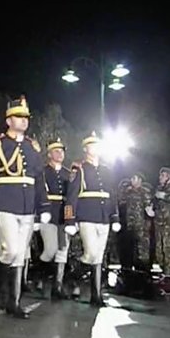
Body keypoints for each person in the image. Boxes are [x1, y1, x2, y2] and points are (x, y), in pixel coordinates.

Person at [0, 95, 51, 319]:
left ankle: (14, 302)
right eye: (18, 117)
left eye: (25, 117)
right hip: (5, 205)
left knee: (20, 255)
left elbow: (39, 179)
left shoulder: (32, 147)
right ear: (8, 120)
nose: (23, 121)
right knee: (10, 250)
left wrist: (44, 207)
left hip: (28, 206)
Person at [65, 131, 121, 308]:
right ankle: (71, 277)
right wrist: (70, 219)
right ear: (85, 149)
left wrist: (115, 216)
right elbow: (72, 195)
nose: (95, 149)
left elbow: (112, 195)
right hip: (86, 215)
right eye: (91, 146)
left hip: (103, 216)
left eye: (97, 145)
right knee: (90, 253)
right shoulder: (79, 169)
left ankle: (96, 296)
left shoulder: (106, 170)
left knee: (98, 257)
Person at [34, 138, 73, 300]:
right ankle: (40, 276)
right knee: (50, 249)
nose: (60, 154)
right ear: (49, 154)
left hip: (63, 215)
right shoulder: (42, 172)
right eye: (56, 151)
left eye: (62, 151)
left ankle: (57, 285)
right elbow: (37, 195)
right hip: (48, 213)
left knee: (62, 251)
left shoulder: (68, 174)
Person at [150, 167, 170, 293]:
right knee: (159, 250)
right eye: (160, 175)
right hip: (159, 223)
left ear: (169, 177)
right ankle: (164, 273)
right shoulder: (158, 189)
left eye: (163, 175)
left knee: (168, 250)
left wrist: (165, 196)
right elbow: (155, 203)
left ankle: (169, 277)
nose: (160, 178)